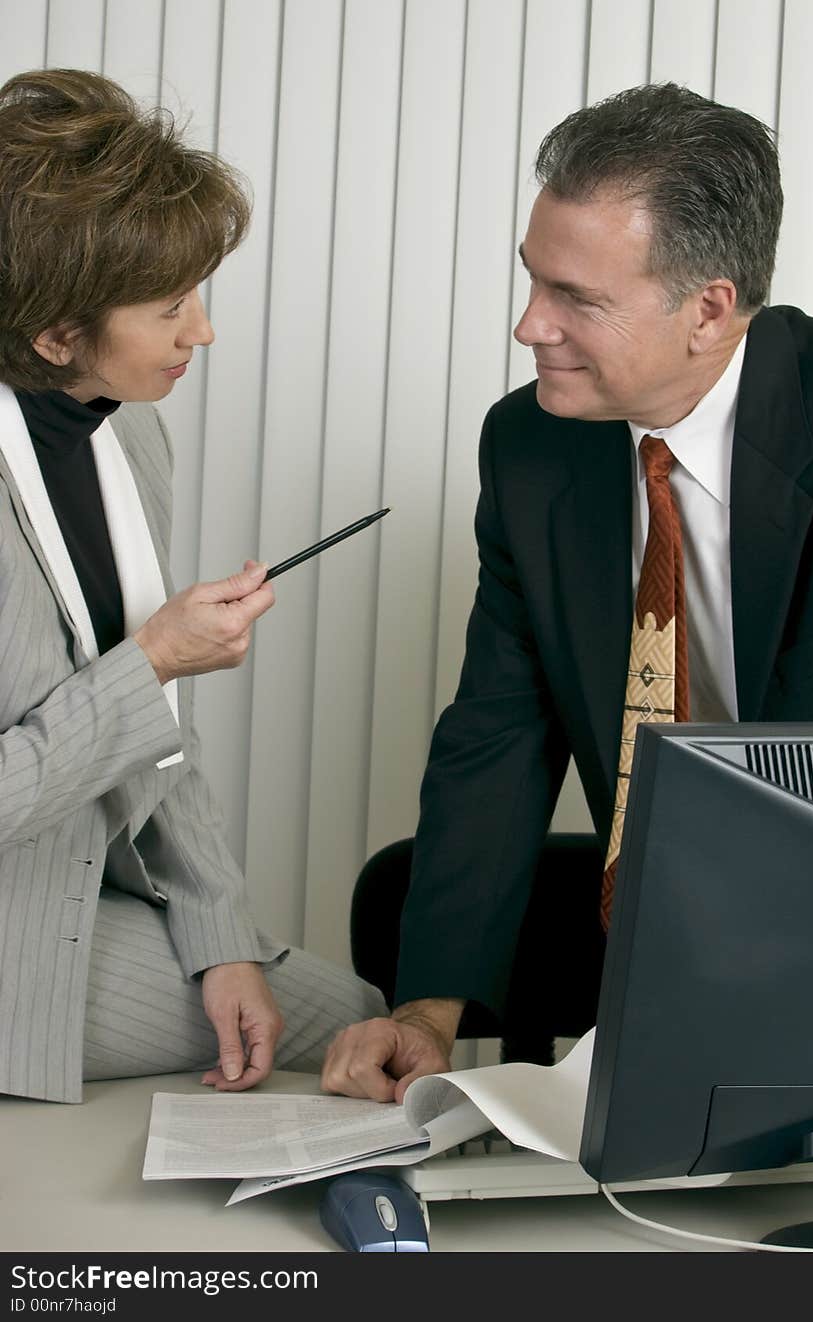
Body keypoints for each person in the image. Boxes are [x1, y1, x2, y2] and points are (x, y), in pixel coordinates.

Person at [321, 82, 813, 1102]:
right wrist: (426, 1006)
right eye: (534, 279)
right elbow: (497, 726)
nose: (530, 324)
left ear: (708, 307)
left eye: (576, 298)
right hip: (664, 938)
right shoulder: (531, 444)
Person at [0, 68, 385, 1105]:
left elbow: (155, 730)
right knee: (341, 1038)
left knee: (360, 1021)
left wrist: (218, 938)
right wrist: (155, 658)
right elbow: (135, 689)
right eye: (171, 305)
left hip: (71, 882)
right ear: (53, 335)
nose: (201, 331)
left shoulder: (132, 433)